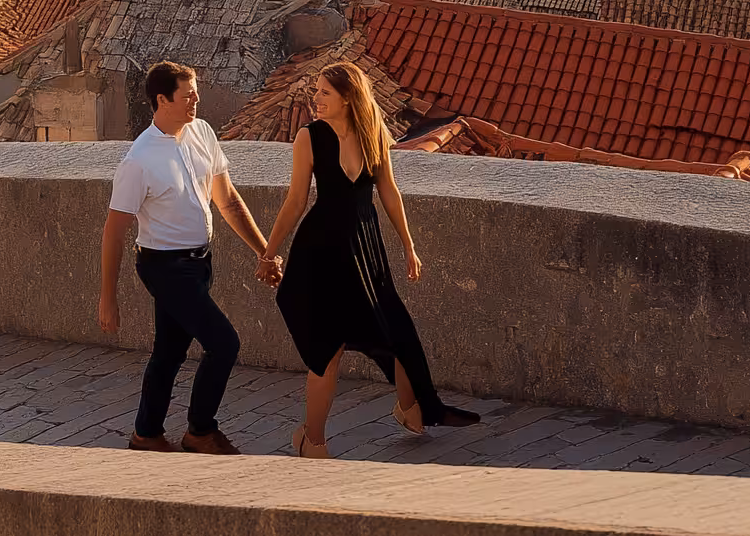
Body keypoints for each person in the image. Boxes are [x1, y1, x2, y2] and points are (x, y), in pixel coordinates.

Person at [258, 63, 478, 458]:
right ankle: (314, 439)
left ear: (347, 97)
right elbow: (295, 202)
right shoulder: (309, 137)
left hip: (365, 249)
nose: (316, 99)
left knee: (397, 334)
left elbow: (389, 191)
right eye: (317, 92)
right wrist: (270, 251)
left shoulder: (374, 133)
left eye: (325, 92)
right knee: (329, 347)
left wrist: (409, 245)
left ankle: (410, 407)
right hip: (320, 251)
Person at [101, 60, 279, 453]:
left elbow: (228, 200)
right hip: (164, 267)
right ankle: (200, 430)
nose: (197, 99)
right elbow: (114, 231)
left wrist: (265, 252)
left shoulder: (202, 132)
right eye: (188, 95)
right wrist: (108, 297)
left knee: (170, 351)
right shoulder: (139, 161)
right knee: (224, 344)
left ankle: (146, 434)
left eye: (196, 91)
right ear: (162, 100)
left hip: (200, 263)